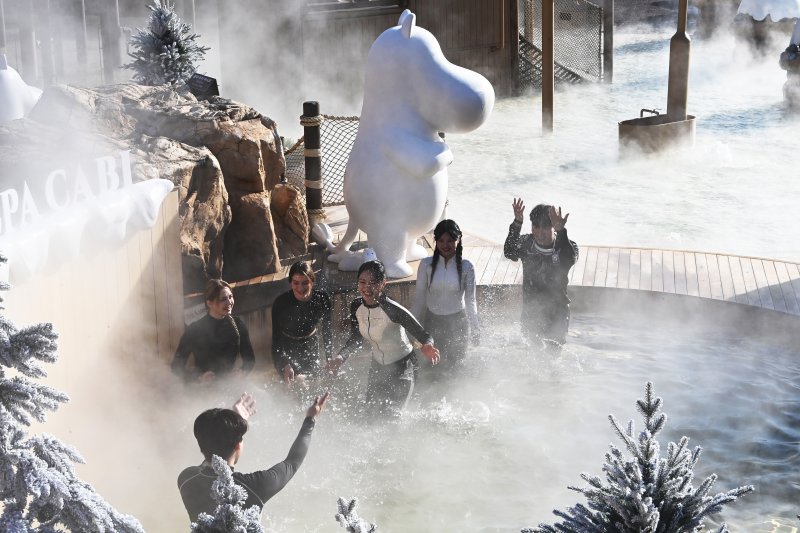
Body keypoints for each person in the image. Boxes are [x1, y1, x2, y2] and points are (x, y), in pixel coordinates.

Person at [177, 392, 329, 523]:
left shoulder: (186, 479)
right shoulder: (254, 486)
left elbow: (209, 451)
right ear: (238, 445)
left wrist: (232, 425)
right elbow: (293, 462)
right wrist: (310, 419)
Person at [326, 260, 440, 414]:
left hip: (403, 367)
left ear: (383, 284)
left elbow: (424, 335)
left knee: (393, 417)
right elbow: (356, 339)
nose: (367, 287)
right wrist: (341, 357)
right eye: (362, 282)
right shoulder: (356, 306)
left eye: (373, 283)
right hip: (378, 367)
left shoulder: (393, 309)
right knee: (370, 414)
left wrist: (427, 345)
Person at [503, 199, 578, 352]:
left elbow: (570, 258)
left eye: (545, 227)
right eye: (536, 227)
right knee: (531, 356)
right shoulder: (527, 243)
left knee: (553, 357)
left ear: (553, 227)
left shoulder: (564, 246)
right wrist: (517, 223)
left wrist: (561, 231)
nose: (539, 232)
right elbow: (509, 251)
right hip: (531, 313)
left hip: (557, 315)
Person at [412, 219, 479, 373]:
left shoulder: (467, 267)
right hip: (433, 323)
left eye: (450, 240)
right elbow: (419, 300)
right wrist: (409, 326)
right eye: (441, 240)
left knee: (457, 369)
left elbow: (471, 300)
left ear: (458, 240)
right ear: (436, 241)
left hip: (459, 323)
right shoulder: (426, 265)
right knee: (433, 370)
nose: (445, 245)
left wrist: (475, 327)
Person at [171, 279, 255, 384]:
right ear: (209, 303)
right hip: (204, 388)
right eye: (223, 299)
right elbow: (176, 367)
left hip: (230, 385)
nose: (229, 302)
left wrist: (242, 372)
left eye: (230, 297)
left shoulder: (237, 324)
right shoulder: (194, 329)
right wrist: (199, 378)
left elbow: (250, 359)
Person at [271, 261, 333, 386]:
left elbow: (327, 332)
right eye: (296, 283)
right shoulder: (280, 303)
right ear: (290, 283)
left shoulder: (322, 299)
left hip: (311, 344)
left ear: (312, 281)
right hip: (287, 347)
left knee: (315, 384)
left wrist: (329, 359)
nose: (300, 288)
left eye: (305, 283)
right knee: (295, 386)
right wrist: (284, 363)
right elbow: (276, 341)